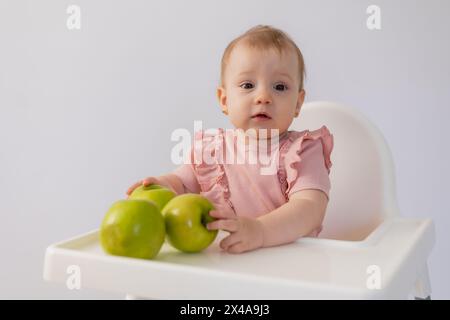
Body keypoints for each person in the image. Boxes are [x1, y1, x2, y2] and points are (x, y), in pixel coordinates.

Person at [126, 25, 334, 254]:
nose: (263, 97)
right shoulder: (212, 150)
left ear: (297, 103)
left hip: (289, 263)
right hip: (225, 263)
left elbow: (310, 208)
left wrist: (260, 231)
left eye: (280, 87)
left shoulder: (303, 152)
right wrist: (162, 185)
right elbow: (183, 182)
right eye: (247, 85)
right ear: (224, 100)